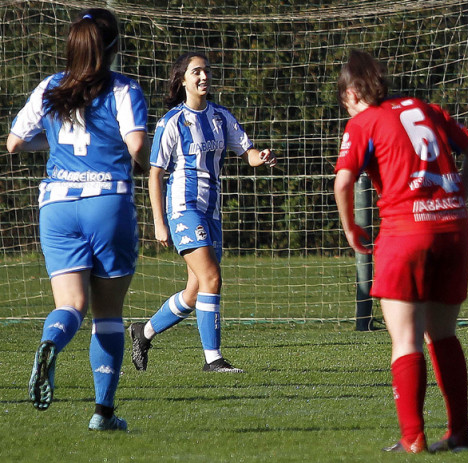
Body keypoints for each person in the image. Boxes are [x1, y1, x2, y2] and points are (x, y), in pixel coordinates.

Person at [334, 50, 468, 453]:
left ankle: (413, 438)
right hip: (453, 229)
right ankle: (459, 433)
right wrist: (459, 199)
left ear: (351, 91)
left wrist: (351, 228)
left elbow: (343, 182)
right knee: (444, 334)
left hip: (406, 232)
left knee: (405, 339)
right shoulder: (425, 107)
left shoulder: (363, 121)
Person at [6, 8, 149, 431]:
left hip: (57, 205)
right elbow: (138, 144)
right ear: (113, 48)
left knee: (70, 305)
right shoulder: (123, 88)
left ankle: (51, 341)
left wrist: (51, 146)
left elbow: (14, 143)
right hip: (107, 200)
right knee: (107, 314)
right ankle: (103, 413)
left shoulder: (50, 86)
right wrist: (142, 162)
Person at [128, 52, 276, 374]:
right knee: (212, 278)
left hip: (212, 212)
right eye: (196, 72)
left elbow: (246, 153)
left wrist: (261, 156)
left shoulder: (221, 117)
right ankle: (214, 360)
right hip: (184, 209)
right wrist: (158, 222)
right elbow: (155, 173)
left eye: (206, 71)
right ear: (183, 80)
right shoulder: (172, 122)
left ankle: (144, 332)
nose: (203, 77)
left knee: (195, 292)